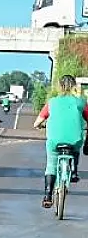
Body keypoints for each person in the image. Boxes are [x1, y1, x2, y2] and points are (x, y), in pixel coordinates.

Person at [33, 74, 88, 207]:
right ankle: (74, 171)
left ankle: (47, 196)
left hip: (54, 140)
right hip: (75, 139)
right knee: (76, 147)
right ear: (74, 86)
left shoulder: (52, 102)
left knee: (51, 165)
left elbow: (37, 123)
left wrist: (42, 125)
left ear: (59, 86)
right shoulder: (81, 102)